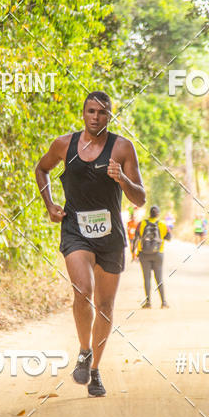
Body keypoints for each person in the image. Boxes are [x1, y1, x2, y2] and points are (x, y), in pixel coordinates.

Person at [35, 90, 146, 397]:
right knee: (83, 290)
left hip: (110, 236)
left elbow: (140, 198)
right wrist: (50, 204)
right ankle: (83, 349)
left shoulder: (122, 147)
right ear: (82, 114)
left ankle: (94, 368)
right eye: (91, 111)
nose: (96, 117)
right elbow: (41, 168)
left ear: (110, 115)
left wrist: (122, 179)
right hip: (76, 231)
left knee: (106, 306)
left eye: (102, 112)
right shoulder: (64, 144)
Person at [135, 205, 171, 309]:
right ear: (158, 214)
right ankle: (163, 302)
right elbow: (169, 237)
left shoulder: (141, 223)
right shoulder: (163, 224)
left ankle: (148, 302)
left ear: (149, 214)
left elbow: (136, 238)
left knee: (146, 278)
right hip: (158, 254)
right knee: (159, 278)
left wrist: (135, 253)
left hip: (144, 254)